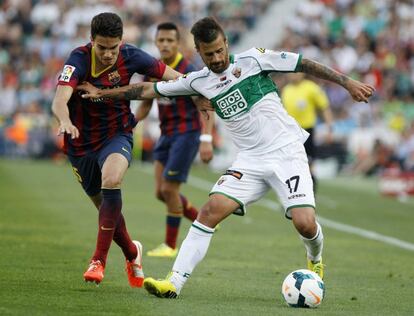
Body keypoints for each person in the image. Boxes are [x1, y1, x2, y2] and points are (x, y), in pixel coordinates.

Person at [78, 17, 375, 298]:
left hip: (287, 152)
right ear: (199, 52)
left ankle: (316, 258)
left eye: (220, 50)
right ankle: (174, 282)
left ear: (227, 45)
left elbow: (304, 63)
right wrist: (102, 94)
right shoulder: (197, 81)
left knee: (305, 224)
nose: (217, 58)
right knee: (210, 211)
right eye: (209, 54)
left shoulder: (253, 59)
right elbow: (145, 89)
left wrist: (347, 83)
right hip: (249, 160)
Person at [51, 12, 183, 286]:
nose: (109, 54)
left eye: (114, 47)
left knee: (112, 179)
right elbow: (60, 99)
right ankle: (132, 253)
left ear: (121, 41)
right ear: (92, 41)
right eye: (102, 48)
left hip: (117, 134)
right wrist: (64, 120)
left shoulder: (133, 55)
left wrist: (203, 92)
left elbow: (175, 78)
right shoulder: (78, 59)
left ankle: (98, 260)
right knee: (106, 210)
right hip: (80, 143)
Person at [136, 22, 214, 258]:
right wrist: (127, 124)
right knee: (160, 192)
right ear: (156, 43)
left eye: (170, 40)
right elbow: (146, 104)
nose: (166, 44)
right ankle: (202, 217)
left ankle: (170, 246)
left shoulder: (188, 70)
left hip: (186, 135)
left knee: (170, 189)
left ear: (178, 43)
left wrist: (206, 138)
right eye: (162, 40)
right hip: (166, 134)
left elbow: (205, 106)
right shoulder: (152, 69)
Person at [281, 73, 334, 191]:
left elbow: (324, 107)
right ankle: (292, 194)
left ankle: (311, 194)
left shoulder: (311, 88)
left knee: (309, 165)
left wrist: (329, 129)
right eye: (291, 72)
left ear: (302, 73)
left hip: (307, 131)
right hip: (290, 132)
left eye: (296, 72)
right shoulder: (286, 90)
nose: (293, 75)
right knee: (290, 165)